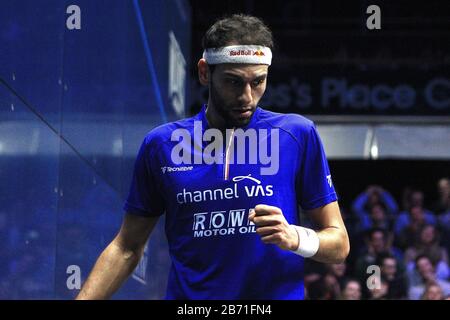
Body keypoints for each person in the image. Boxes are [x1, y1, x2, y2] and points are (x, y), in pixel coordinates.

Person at [76, 14, 349, 300]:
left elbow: (339, 244)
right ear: (205, 73)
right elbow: (127, 248)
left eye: (258, 81)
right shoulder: (162, 144)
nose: (247, 97)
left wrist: (296, 237)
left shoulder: (297, 134)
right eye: (233, 82)